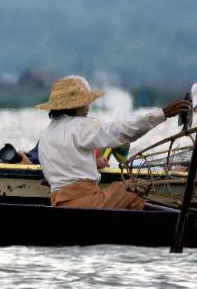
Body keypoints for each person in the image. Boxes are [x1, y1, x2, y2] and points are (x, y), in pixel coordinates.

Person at [32, 75, 190, 209]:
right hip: (85, 203)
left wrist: (93, 163)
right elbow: (120, 131)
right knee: (137, 186)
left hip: (59, 203)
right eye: (86, 101)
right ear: (77, 105)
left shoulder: (46, 135)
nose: (89, 106)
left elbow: (65, 167)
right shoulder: (80, 126)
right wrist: (162, 114)